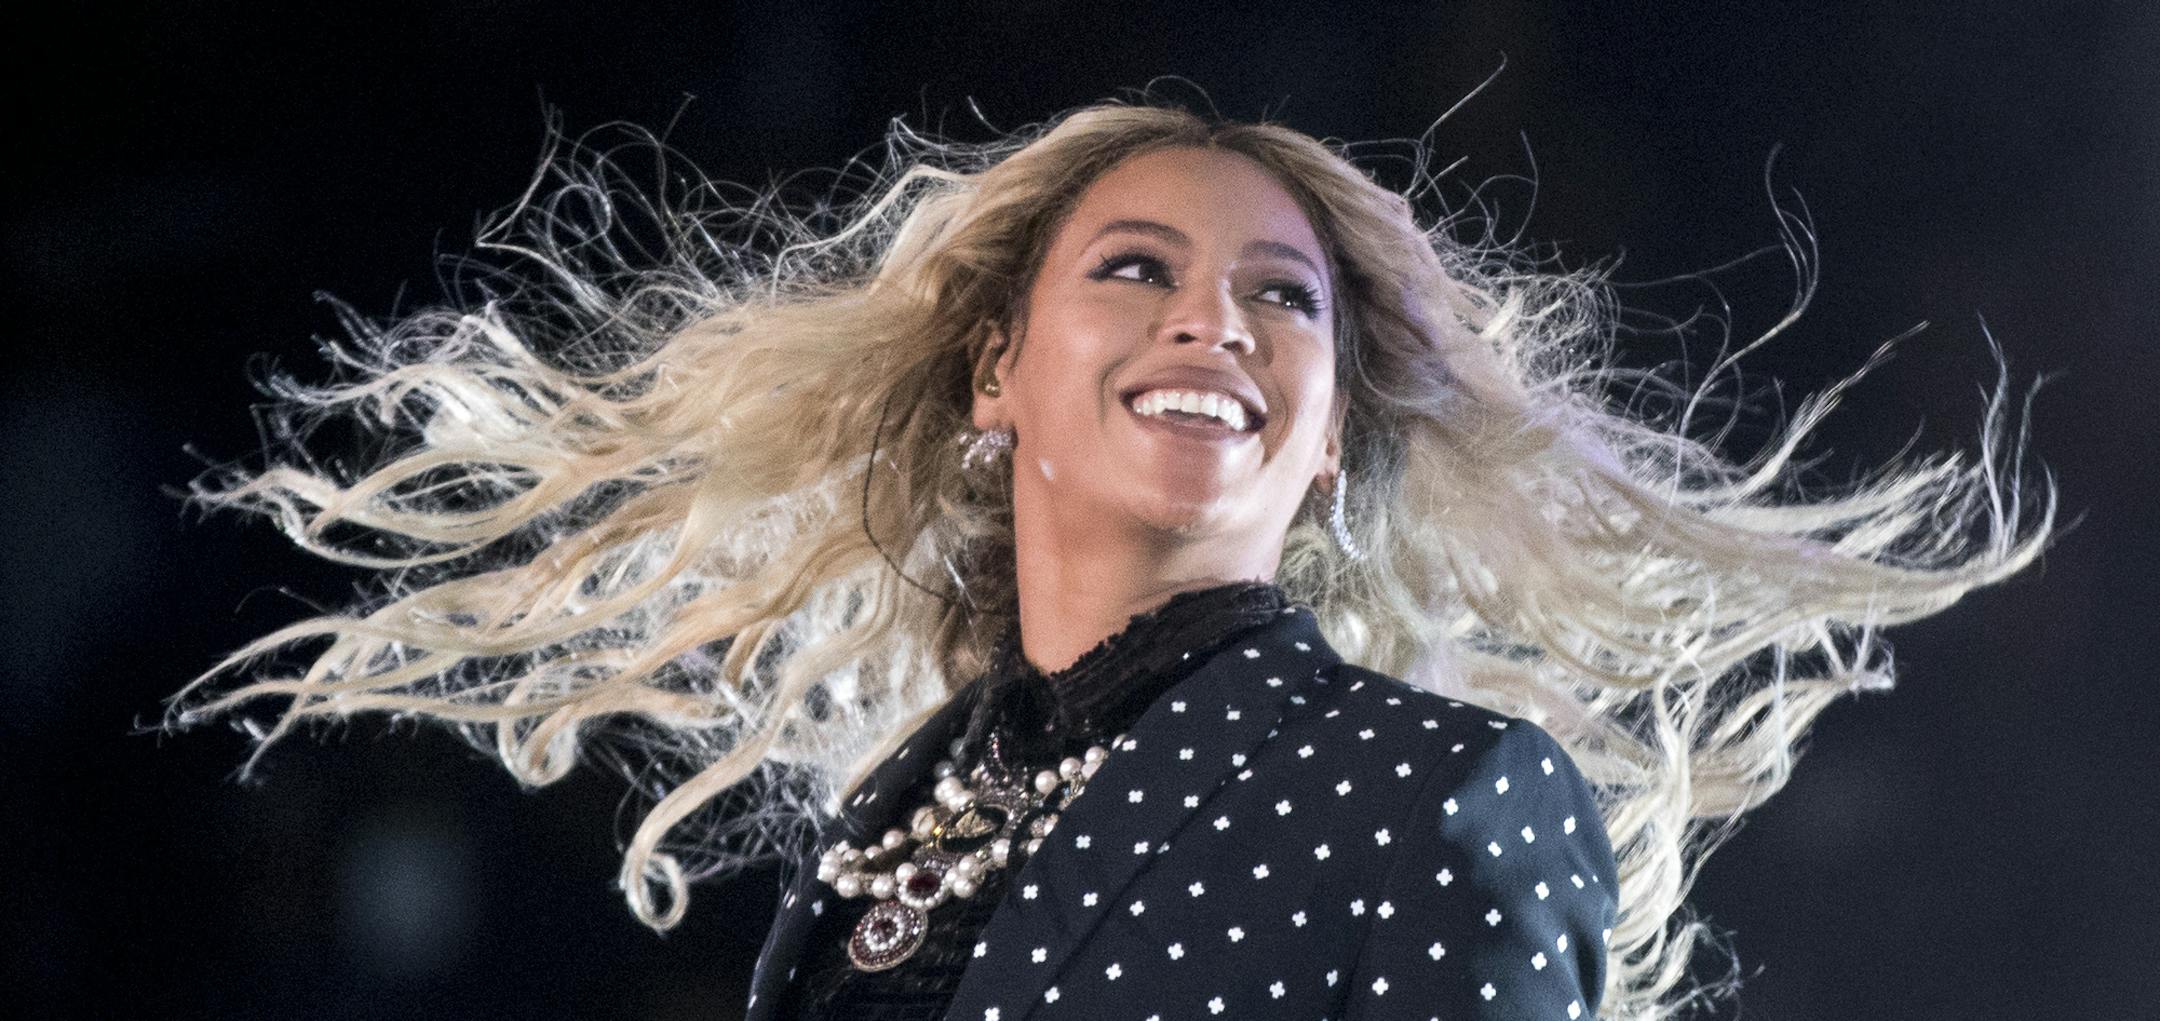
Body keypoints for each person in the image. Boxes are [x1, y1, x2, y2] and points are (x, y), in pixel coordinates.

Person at [169, 96, 2054, 1019]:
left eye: (1281, 299)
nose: (1211, 320)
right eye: (1137, 267)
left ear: (1329, 435)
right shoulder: (892, 821)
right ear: (998, 370)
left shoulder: (1450, 792)